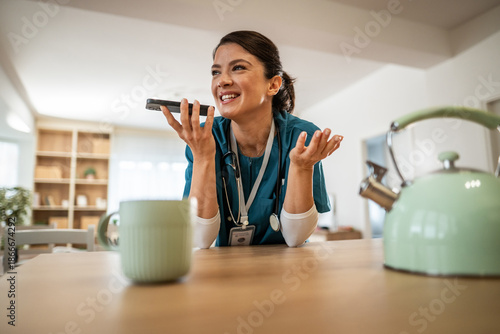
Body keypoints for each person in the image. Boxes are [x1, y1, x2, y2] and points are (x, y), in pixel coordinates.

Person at [162, 30, 343, 248]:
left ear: (273, 85)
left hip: (284, 270)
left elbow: (296, 238)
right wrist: (203, 157)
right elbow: (200, 239)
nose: (222, 81)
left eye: (238, 68)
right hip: (222, 272)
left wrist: (302, 168)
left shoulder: (301, 137)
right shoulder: (204, 137)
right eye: (215, 72)